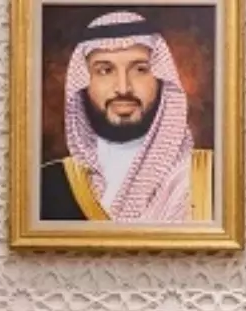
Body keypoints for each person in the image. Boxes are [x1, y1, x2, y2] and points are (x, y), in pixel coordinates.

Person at [40, 10, 213, 222]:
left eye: (139, 69)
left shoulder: (209, 180)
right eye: (105, 70)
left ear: (161, 79)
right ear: (84, 82)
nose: (123, 88)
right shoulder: (48, 186)